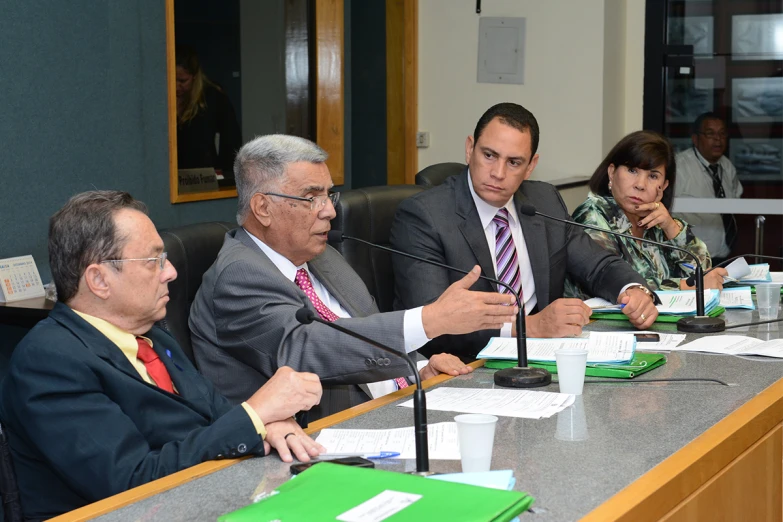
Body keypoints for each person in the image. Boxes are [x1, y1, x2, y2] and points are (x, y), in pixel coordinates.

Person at [0, 191, 325, 519]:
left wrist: (268, 425)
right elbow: (131, 482)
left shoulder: (151, 335)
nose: (170, 271)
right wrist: (255, 414)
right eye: (153, 260)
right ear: (98, 279)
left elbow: (214, 417)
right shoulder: (49, 362)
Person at [189, 134, 518, 419]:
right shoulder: (237, 276)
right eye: (311, 197)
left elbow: (366, 329)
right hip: (312, 443)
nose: (329, 210)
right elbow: (309, 349)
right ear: (262, 208)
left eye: (328, 195)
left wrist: (420, 369)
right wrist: (431, 319)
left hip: (392, 411)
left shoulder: (321, 256)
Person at [389, 102, 659, 361]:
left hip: (543, 357)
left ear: (531, 166)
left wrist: (633, 290)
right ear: (470, 149)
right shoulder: (424, 216)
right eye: (489, 155)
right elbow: (430, 324)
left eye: (514, 162)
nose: (498, 172)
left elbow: (597, 265)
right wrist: (529, 327)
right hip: (467, 366)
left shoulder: (543, 201)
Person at [565, 130, 727, 297]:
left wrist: (671, 227)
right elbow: (613, 283)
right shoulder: (592, 217)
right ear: (612, 172)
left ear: (663, 186)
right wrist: (686, 286)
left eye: (653, 176)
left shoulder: (656, 222)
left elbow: (704, 272)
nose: (640, 185)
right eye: (632, 170)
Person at [674, 112, 743, 264]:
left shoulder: (727, 165)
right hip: (690, 256)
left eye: (722, 133)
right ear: (695, 139)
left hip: (725, 253)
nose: (718, 139)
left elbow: (735, 203)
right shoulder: (679, 167)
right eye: (710, 134)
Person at [176, 46, 242, 186]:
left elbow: (231, 140)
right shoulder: (161, 101)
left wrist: (227, 175)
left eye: (182, 81)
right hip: (173, 175)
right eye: (172, 80)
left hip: (205, 175)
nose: (176, 86)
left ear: (194, 77)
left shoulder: (213, 98)